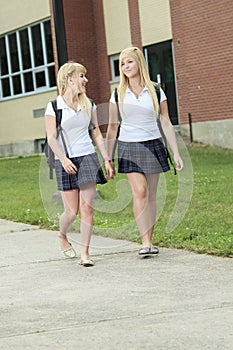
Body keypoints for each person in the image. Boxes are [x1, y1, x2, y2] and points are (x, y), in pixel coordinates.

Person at [106, 47, 183, 257]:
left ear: (139, 63)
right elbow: (113, 126)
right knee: (140, 191)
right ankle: (144, 242)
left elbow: (165, 122)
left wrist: (176, 153)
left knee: (151, 196)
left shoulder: (156, 90)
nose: (125, 67)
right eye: (122, 64)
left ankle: (150, 240)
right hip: (129, 146)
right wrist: (107, 158)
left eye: (129, 62)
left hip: (153, 145)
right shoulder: (117, 93)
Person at [45, 62, 114, 267]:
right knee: (71, 212)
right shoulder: (54, 107)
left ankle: (85, 253)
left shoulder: (89, 104)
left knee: (87, 208)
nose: (86, 80)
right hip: (64, 160)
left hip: (87, 158)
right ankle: (62, 234)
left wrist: (107, 159)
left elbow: (96, 134)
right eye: (82, 76)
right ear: (70, 79)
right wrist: (64, 159)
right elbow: (51, 138)